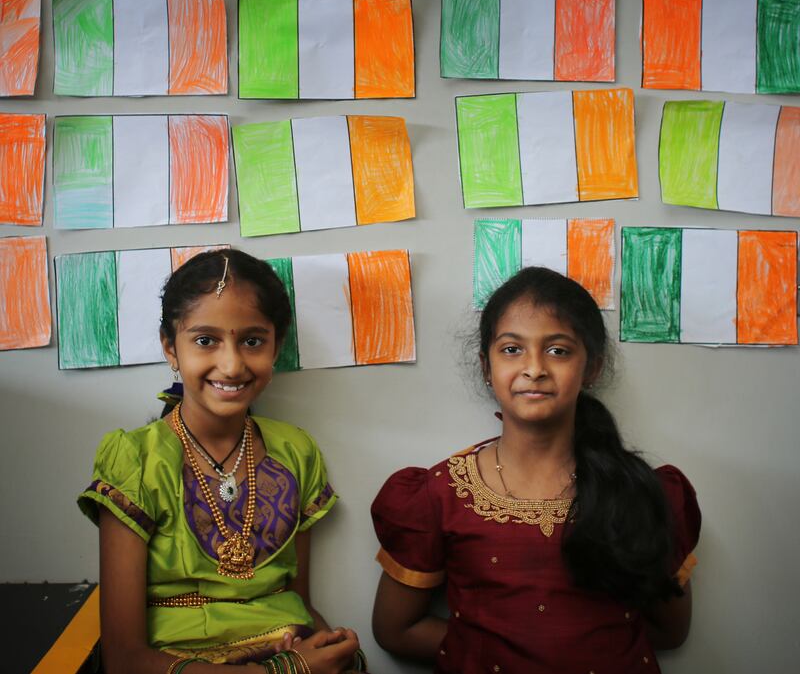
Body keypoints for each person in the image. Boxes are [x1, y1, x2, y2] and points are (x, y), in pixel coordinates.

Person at [371, 266, 700, 674]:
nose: (534, 368)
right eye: (512, 349)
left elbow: (670, 631)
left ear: (592, 367)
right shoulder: (440, 493)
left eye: (558, 350)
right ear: (486, 366)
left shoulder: (641, 491)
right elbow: (396, 630)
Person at [79, 249, 363, 674]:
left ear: (276, 345)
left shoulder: (295, 451)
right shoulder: (136, 459)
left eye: (252, 341)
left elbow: (299, 603)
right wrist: (279, 673)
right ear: (170, 347)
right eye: (205, 340)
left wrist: (326, 646)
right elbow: (123, 659)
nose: (231, 366)